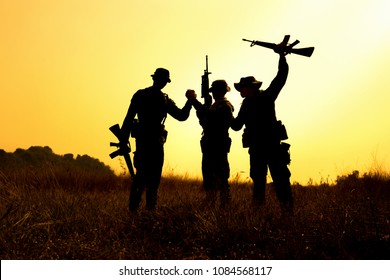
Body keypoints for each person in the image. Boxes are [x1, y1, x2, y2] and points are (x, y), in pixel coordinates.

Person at [120, 68, 193, 212]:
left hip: (148, 143)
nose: (163, 83)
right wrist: (190, 101)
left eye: (164, 81)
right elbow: (182, 116)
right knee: (146, 179)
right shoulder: (157, 98)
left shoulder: (146, 96)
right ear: (157, 80)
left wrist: (124, 139)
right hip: (150, 143)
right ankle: (143, 211)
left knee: (146, 179)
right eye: (163, 80)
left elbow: (181, 116)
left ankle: (140, 211)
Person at [231, 52, 294, 214]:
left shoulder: (267, 96)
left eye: (242, 88)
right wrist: (226, 115)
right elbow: (237, 126)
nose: (239, 91)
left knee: (280, 180)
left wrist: (282, 57)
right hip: (257, 149)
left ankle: (288, 213)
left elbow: (281, 78)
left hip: (272, 146)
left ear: (250, 88)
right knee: (259, 182)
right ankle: (258, 214)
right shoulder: (246, 104)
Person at [186, 80, 234, 208]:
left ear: (223, 91)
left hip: (218, 146)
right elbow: (206, 122)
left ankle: (225, 207)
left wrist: (195, 102)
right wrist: (201, 111)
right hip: (210, 146)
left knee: (222, 179)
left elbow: (211, 117)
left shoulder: (225, 106)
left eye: (216, 91)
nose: (213, 94)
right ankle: (210, 204)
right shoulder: (215, 105)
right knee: (209, 178)